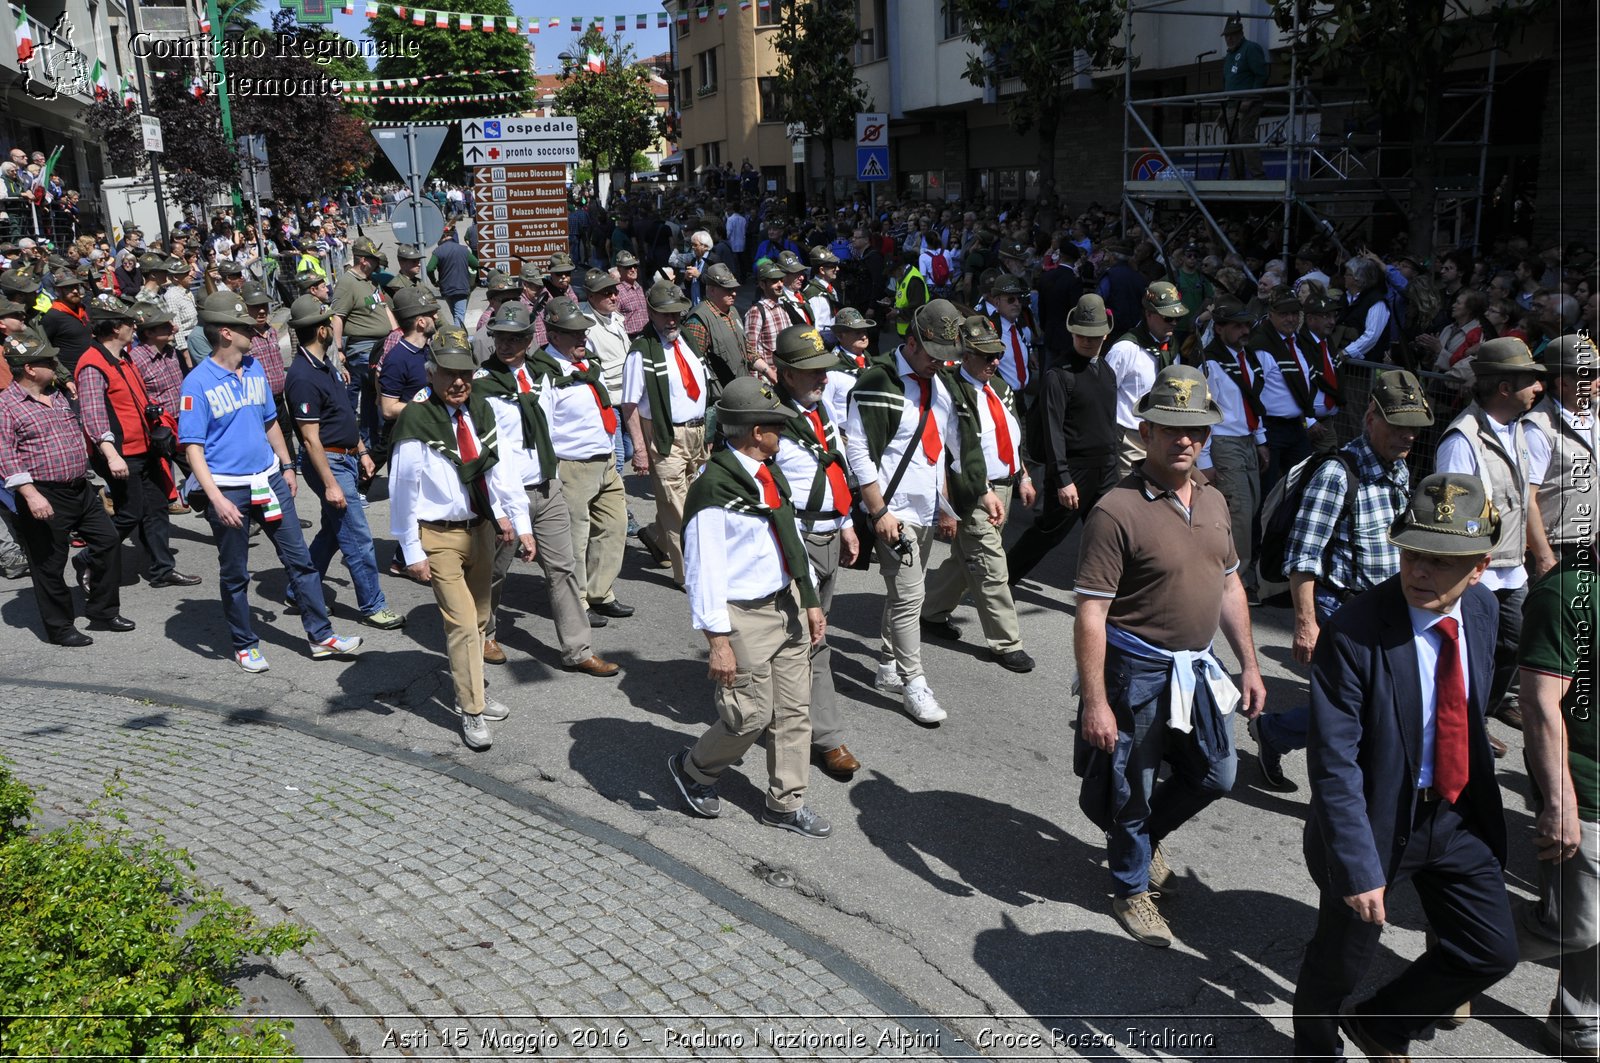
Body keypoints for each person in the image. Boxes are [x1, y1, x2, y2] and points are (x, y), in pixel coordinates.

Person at [1292, 472, 1518, 1061]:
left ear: (1479, 566)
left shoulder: (1485, 610)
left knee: (1488, 950)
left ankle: (1382, 1026)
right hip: (1374, 821)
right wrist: (1360, 863)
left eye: (1440, 562)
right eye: (1411, 553)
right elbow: (1334, 762)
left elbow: (1474, 703)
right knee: (1340, 960)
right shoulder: (1354, 633)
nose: (1419, 571)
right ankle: (1315, 1050)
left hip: (1453, 812)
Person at [1073, 363, 1267, 948]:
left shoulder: (1211, 499)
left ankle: (1140, 839)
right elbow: (1090, 612)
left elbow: (1230, 584)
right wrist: (1096, 702)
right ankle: (1131, 887)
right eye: (1172, 428)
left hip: (1197, 668)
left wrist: (1250, 664)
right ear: (1147, 430)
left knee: (1217, 772)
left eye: (1198, 430)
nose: (1186, 439)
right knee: (1132, 780)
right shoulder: (1116, 510)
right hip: (1135, 670)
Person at [1250, 370, 1440, 790]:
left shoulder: (1398, 470)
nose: (1409, 437)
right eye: (1399, 425)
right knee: (1353, 713)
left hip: (1385, 611)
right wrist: (1306, 624)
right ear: (1371, 417)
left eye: (1415, 428)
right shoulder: (1337, 476)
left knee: (1360, 709)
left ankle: (1275, 733)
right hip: (1342, 611)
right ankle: (1346, 798)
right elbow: (1303, 557)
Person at [666, 376, 832, 839]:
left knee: (795, 712)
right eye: (776, 425)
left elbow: (790, 538)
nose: (783, 432)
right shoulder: (714, 488)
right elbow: (701, 571)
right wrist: (717, 641)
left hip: (787, 605)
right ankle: (695, 768)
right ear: (756, 431)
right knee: (750, 716)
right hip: (741, 614)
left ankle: (786, 802)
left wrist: (810, 599)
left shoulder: (768, 473)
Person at [178, 291, 364, 673]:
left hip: (269, 481)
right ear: (226, 333)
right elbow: (193, 449)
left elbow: (270, 422)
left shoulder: (255, 367)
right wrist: (216, 498)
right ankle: (245, 644)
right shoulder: (197, 383)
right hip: (228, 490)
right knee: (235, 573)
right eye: (246, 326)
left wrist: (286, 465)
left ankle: (321, 635)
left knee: (300, 562)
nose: (256, 330)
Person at [846, 299, 1001, 726]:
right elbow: (857, 449)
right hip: (893, 509)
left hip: (928, 506)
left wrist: (974, 494)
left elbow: (952, 446)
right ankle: (914, 683)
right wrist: (877, 510)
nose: (940, 364)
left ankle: (886, 664)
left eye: (946, 357)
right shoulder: (877, 380)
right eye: (933, 356)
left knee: (902, 594)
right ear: (911, 342)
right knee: (912, 596)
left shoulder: (944, 383)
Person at [388, 337, 535, 750]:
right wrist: (411, 549)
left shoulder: (481, 412)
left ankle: (473, 693)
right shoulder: (416, 420)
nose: (458, 381)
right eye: (449, 372)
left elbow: (503, 471)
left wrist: (521, 523)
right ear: (430, 373)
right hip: (438, 536)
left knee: (482, 618)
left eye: (465, 373)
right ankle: (471, 710)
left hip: (482, 531)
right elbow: (402, 489)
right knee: (463, 623)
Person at [472, 302, 619, 677]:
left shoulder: (541, 376)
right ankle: (484, 633)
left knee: (563, 568)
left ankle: (578, 649)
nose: (505, 345)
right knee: (496, 571)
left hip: (547, 486)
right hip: (507, 493)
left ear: (528, 340)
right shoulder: (482, 384)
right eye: (500, 338)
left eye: (514, 338)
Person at [1435, 336, 1546, 732]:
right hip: (1477, 573)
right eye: (1530, 380)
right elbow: (1452, 517)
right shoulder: (1461, 439)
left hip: (1511, 568)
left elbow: (1521, 500)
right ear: (1504, 388)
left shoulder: (1517, 428)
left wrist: (1539, 555)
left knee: (1513, 647)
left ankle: (1478, 714)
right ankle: (1464, 725)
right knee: (1471, 654)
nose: (1539, 387)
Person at [1515, 550, 1600, 1059]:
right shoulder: (1568, 594)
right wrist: (1560, 800)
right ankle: (1461, 941)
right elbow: (1539, 702)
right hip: (1585, 787)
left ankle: (1576, 1019)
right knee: (1575, 924)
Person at [770, 324, 863, 776]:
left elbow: (836, 466)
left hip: (827, 535)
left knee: (807, 637)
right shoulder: (768, 421)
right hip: (794, 542)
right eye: (811, 372)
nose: (822, 378)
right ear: (785, 374)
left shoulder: (820, 409)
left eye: (824, 370)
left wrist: (845, 524)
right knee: (807, 639)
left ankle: (784, 719)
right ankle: (823, 737)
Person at [280, 295, 403, 631]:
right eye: (330, 323)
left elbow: (344, 416)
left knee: (335, 533)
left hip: (345, 457)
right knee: (358, 538)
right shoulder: (303, 375)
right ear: (320, 330)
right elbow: (310, 439)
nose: (336, 327)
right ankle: (372, 605)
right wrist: (331, 483)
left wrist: (362, 451)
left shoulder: (325, 364)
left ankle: (298, 590)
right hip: (329, 463)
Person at [0, 333, 132, 645]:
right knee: (48, 564)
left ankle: (103, 611)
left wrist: (108, 451)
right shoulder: (7, 406)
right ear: (30, 368)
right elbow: (6, 454)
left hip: (79, 488)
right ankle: (60, 627)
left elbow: (86, 424)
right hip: (44, 492)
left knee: (108, 540)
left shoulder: (56, 394)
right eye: (48, 360)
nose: (55, 364)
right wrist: (31, 495)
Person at [921, 316, 1036, 672]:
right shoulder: (949, 390)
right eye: (986, 356)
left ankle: (930, 611)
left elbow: (1013, 435)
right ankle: (1006, 643)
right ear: (964, 354)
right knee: (990, 566)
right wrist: (954, 501)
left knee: (966, 559)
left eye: (997, 354)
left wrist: (1023, 476)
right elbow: (948, 450)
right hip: (971, 492)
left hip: (1001, 486)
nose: (994, 361)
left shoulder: (999, 387)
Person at [72, 293, 198, 589]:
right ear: (116, 328)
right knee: (130, 513)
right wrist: (112, 455)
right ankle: (89, 556)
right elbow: (92, 415)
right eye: (129, 322)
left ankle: (162, 569)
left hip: (145, 448)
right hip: (121, 453)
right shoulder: (93, 364)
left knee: (156, 508)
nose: (134, 327)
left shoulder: (123, 357)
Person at [1005, 295, 1119, 588]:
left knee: (1110, 533)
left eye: (1094, 335)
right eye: (1082, 334)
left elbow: (1106, 421)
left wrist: (1113, 466)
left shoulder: (1106, 371)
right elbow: (1053, 429)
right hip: (1074, 469)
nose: (1088, 340)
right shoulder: (1059, 374)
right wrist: (1063, 478)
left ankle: (1103, 591)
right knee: (1048, 532)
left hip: (1105, 467)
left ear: (1105, 334)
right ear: (1072, 332)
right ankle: (1002, 580)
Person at [541, 297, 632, 626]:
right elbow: (543, 427)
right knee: (575, 539)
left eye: (583, 331)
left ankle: (600, 592)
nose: (583, 337)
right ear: (553, 335)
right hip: (573, 467)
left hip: (605, 460)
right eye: (574, 333)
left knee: (614, 526)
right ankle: (577, 600)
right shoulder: (546, 372)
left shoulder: (587, 364)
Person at [621, 282, 710, 587]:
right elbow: (630, 404)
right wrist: (641, 449)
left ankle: (656, 538)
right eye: (664, 314)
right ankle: (690, 576)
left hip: (697, 435)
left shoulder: (686, 339)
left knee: (692, 500)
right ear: (650, 313)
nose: (671, 320)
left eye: (675, 313)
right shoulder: (641, 352)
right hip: (665, 437)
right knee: (679, 510)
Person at [1194, 299, 1268, 603]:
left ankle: (1230, 571)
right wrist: (1206, 458)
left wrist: (1261, 439)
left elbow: (1252, 401)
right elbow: (1205, 412)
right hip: (1224, 442)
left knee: (1251, 508)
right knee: (1237, 513)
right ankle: (1234, 580)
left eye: (1246, 325)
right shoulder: (1208, 364)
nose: (1243, 331)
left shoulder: (1247, 358)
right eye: (1236, 326)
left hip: (1247, 440)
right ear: (1220, 328)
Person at [1525, 334, 1597, 575]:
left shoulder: (1593, 414)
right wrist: (1544, 557)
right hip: (1556, 547)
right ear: (1563, 383)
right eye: (1590, 375)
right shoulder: (1538, 428)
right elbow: (1528, 498)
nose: (1598, 380)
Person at [1251, 288, 1334, 494]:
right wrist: (1260, 437)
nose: (1290, 319)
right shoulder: (1261, 346)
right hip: (1271, 428)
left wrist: (1308, 418)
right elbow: (1253, 394)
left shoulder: (1299, 343)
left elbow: (1306, 384)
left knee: (1301, 485)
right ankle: (1263, 527)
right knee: (1267, 490)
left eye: (1295, 314)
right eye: (1284, 314)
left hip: (1297, 427)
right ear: (1271, 315)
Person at [1103, 281, 1186, 476]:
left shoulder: (1171, 347)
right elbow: (1103, 393)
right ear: (1149, 314)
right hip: (1130, 437)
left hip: (1162, 435)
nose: (1174, 323)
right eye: (1168, 318)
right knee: (1130, 495)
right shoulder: (1125, 349)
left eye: (1177, 318)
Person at [329, 236, 399, 449]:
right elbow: (337, 317)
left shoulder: (371, 282)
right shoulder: (347, 283)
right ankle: (380, 442)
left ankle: (370, 444)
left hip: (383, 346)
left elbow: (385, 309)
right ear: (363, 260)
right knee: (385, 391)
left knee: (370, 402)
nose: (378, 264)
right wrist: (339, 349)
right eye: (374, 260)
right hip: (364, 349)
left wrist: (397, 335)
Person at [376, 286, 440, 423]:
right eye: (432, 314)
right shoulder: (397, 358)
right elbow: (388, 409)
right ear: (421, 322)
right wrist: (430, 410)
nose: (436, 317)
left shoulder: (429, 350)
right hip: (411, 434)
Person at [681, 261, 747, 391]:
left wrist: (766, 370)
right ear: (711, 290)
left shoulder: (732, 311)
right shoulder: (698, 321)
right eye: (728, 289)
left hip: (742, 385)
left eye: (734, 289)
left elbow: (746, 347)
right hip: (721, 394)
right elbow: (693, 364)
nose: (733, 293)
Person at [1219, 15, 1269, 179]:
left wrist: (1251, 97)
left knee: (1245, 136)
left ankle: (1258, 175)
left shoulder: (1250, 48)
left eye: (1232, 34)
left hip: (1248, 102)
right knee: (1233, 141)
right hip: (1232, 104)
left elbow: (1261, 75)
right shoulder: (1229, 56)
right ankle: (1235, 177)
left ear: (1241, 33)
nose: (1229, 38)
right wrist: (1224, 108)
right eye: (1227, 36)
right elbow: (1228, 82)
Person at [822, 306, 875, 427]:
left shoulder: (871, 362)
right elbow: (826, 408)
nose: (864, 337)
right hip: (845, 435)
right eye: (857, 332)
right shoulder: (832, 370)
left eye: (865, 331)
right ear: (840, 336)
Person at [743, 261, 790, 384]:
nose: (780, 284)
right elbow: (750, 352)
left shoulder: (783, 307)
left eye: (781, 280)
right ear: (762, 285)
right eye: (774, 281)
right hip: (767, 381)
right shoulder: (757, 311)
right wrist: (757, 383)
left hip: (785, 377)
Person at [40, 269, 92, 372]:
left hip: (92, 367)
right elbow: (45, 347)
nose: (75, 291)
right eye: (69, 288)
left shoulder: (84, 309)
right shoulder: (52, 316)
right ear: (58, 291)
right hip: (72, 375)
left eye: (76, 287)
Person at [426, 228, 476, 327]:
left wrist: (434, 281)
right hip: (462, 287)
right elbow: (475, 263)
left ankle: (458, 337)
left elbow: (429, 269)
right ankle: (458, 339)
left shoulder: (438, 251)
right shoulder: (463, 249)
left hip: (446, 288)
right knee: (459, 316)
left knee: (456, 315)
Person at [803, 246, 843, 342]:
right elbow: (814, 325)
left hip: (833, 338)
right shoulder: (814, 293)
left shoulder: (830, 289)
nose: (837, 269)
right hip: (823, 341)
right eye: (833, 266)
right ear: (822, 270)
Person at [613, 250, 649, 339]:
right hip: (630, 338)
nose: (633, 269)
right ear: (619, 269)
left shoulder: (639, 287)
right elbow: (614, 320)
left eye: (634, 266)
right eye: (628, 267)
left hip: (647, 335)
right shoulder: (617, 292)